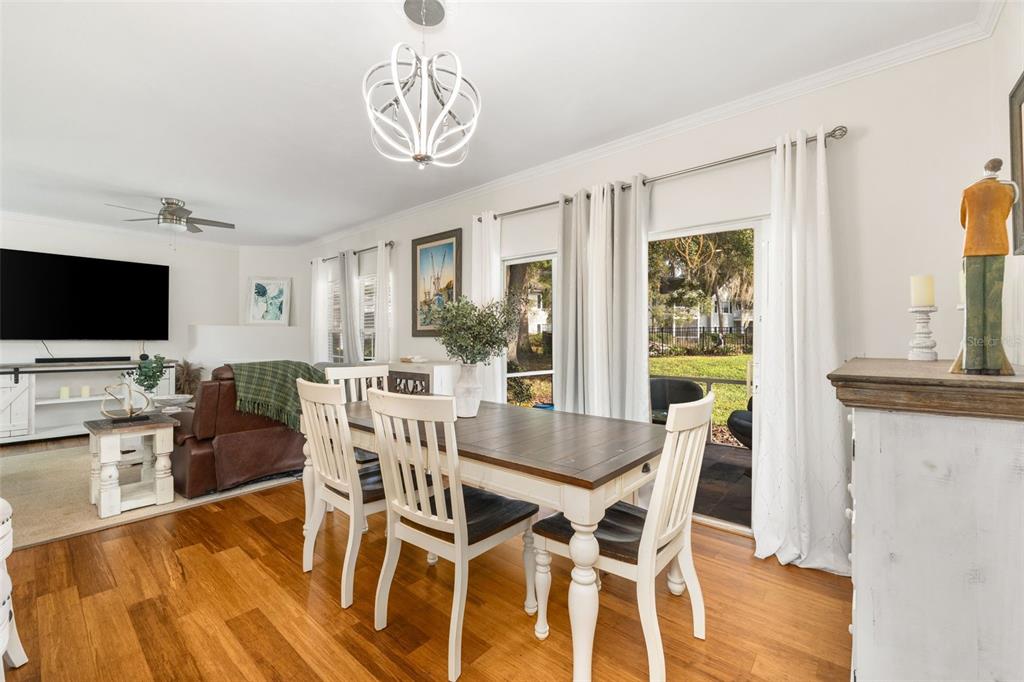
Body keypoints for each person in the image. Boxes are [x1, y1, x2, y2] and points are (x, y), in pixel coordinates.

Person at [956, 158, 1019, 375]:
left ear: (984, 169)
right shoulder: (1007, 191)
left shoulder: (969, 191)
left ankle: (972, 363)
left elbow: (964, 221)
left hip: (972, 248)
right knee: (993, 307)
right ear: (999, 170)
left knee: (973, 308)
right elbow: (1005, 214)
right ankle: (993, 363)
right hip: (997, 246)